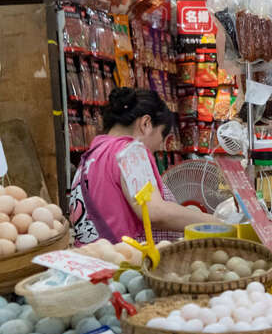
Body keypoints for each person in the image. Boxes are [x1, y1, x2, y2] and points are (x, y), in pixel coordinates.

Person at [70, 88, 217, 246]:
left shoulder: (90, 156)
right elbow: (155, 212)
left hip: (92, 255)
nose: (159, 146)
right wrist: (215, 222)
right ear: (146, 123)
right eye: (162, 136)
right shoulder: (130, 152)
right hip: (124, 257)